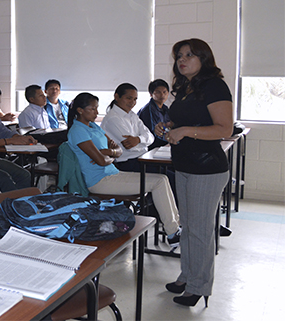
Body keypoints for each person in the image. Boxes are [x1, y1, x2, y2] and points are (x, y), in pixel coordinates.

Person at [156, 38, 233, 307]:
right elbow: (187, 120)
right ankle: (187, 275)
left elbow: (224, 129)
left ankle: (199, 286)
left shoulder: (214, 86)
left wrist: (186, 131)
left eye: (189, 55)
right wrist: (169, 125)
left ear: (204, 58)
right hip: (186, 165)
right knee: (188, 227)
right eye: (179, 56)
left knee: (200, 230)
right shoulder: (187, 88)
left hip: (206, 169)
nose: (182, 60)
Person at [65, 92, 181, 244]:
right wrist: (106, 155)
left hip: (113, 173)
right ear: (80, 110)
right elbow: (100, 161)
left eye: (96, 108)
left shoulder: (93, 126)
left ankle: (175, 227)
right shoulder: (78, 130)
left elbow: (118, 151)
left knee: (163, 178)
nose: (96, 112)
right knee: (159, 181)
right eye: (92, 109)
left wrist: (107, 153)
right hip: (100, 181)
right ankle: (172, 232)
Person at [100, 83, 154, 172]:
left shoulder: (132, 115)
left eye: (135, 99)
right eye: (129, 98)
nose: (132, 102)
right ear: (116, 97)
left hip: (141, 159)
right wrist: (143, 141)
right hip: (127, 164)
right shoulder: (113, 119)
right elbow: (131, 147)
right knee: (169, 176)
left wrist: (139, 139)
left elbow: (151, 137)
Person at [139, 79, 172, 150]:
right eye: (158, 92)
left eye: (164, 92)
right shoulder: (147, 110)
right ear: (151, 94)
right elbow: (151, 135)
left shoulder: (165, 108)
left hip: (163, 146)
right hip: (150, 148)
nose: (162, 95)